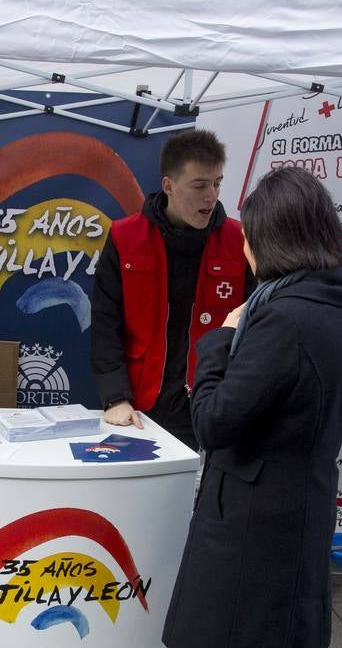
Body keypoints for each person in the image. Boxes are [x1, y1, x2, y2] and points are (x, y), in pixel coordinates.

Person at [135, 167, 342, 648]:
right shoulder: (340, 309)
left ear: (270, 240)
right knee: (265, 640)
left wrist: (217, 343)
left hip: (249, 513)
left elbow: (214, 421)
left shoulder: (279, 317)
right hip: (298, 505)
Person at [90, 130, 255, 450]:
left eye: (217, 183)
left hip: (213, 407)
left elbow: (257, 325)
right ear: (169, 185)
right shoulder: (125, 237)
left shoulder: (240, 240)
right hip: (139, 407)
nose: (211, 196)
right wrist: (115, 397)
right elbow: (105, 326)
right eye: (199, 185)